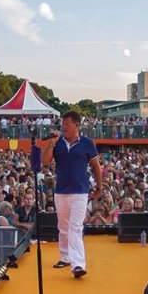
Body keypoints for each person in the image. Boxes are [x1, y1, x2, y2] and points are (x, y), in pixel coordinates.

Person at [38, 110, 102, 279]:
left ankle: (78, 264)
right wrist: (51, 143)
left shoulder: (87, 143)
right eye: (63, 124)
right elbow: (45, 162)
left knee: (75, 227)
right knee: (63, 226)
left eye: (67, 124)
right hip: (61, 191)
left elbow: (96, 166)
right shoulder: (58, 143)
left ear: (77, 125)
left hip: (80, 191)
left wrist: (99, 186)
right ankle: (65, 257)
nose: (63, 127)